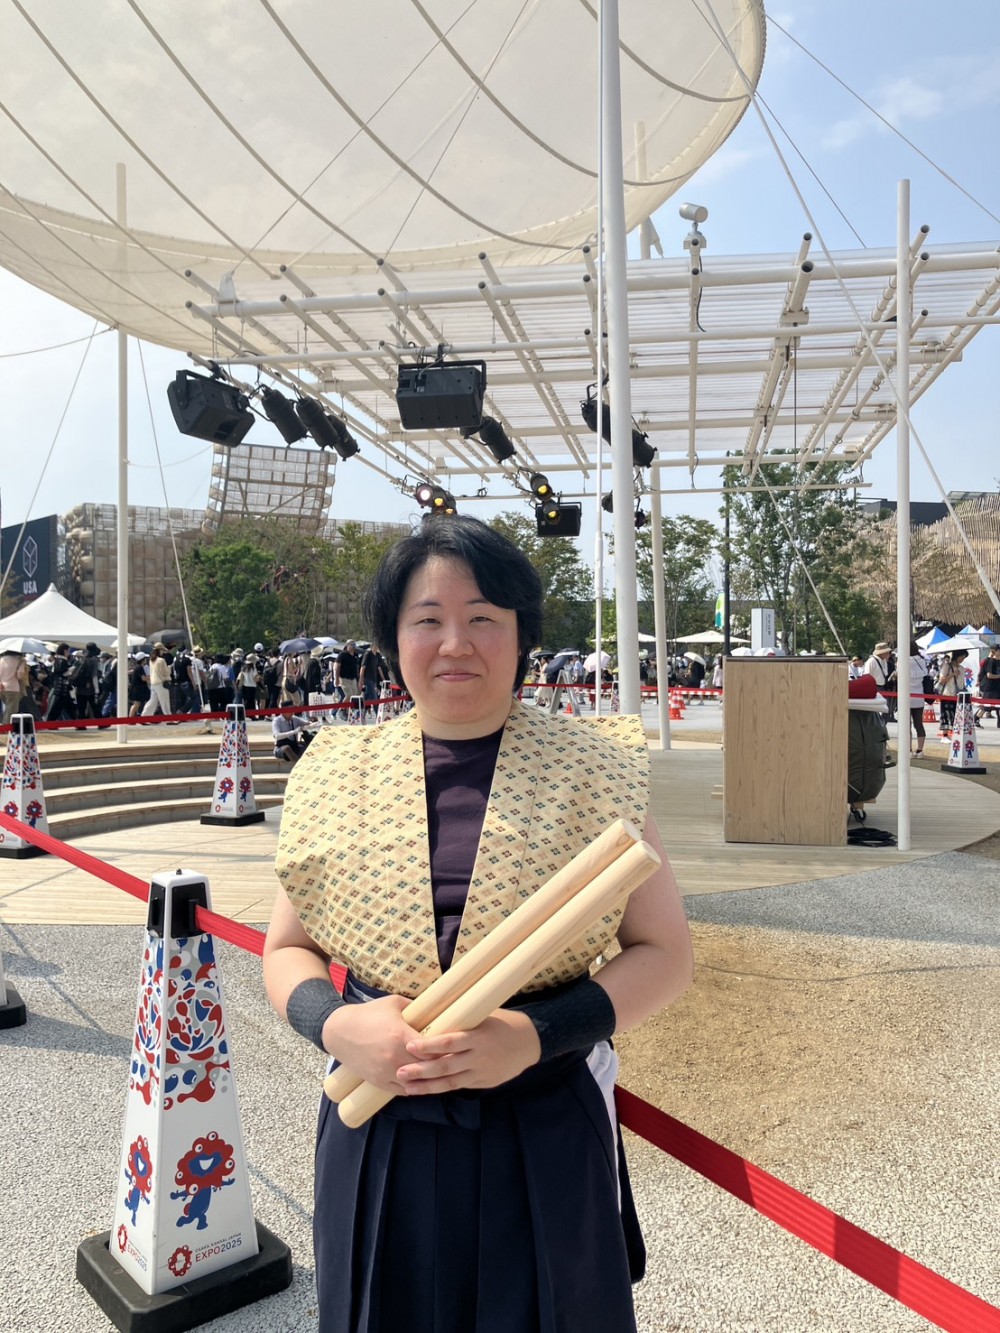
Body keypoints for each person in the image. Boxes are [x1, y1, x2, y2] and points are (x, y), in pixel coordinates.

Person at [264, 516, 693, 1333]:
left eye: (483, 617)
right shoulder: (335, 771)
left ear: (524, 635)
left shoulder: (597, 769)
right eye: (427, 618)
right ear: (393, 639)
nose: (454, 642)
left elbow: (665, 954)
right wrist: (338, 1026)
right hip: (377, 1114)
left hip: (540, 1112)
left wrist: (533, 1035)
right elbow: (288, 948)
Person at [271, 694, 315, 762]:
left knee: (307, 747)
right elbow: (277, 736)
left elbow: (308, 724)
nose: (292, 712)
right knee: (287, 749)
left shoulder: (295, 719)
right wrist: (294, 731)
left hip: (294, 747)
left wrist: (314, 722)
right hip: (281, 748)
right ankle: (297, 764)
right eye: (290, 710)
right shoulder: (277, 721)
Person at [907, 638, 932, 756]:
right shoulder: (922, 660)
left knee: (906, 725)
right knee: (919, 724)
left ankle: (908, 750)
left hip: (906, 697)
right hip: (919, 697)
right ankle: (920, 750)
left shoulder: (903, 660)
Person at [935, 649, 968, 734]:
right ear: (956, 656)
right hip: (947, 694)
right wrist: (952, 674)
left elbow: (962, 683)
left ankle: (955, 735)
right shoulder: (947, 666)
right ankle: (945, 735)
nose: (962, 659)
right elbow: (941, 680)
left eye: (964, 657)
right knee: (946, 715)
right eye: (961, 657)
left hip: (958, 695)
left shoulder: (961, 668)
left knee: (956, 716)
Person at [0, 649, 29, 724]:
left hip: (1, 687)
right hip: (13, 688)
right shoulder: (20, 661)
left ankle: (3, 725)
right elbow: (20, 675)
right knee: (11, 711)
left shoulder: (1, 659)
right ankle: (6, 727)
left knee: (5, 709)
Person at [976, 644, 1000, 726]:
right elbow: (989, 675)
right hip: (990, 687)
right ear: (994, 651)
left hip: (997, 687)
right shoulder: (991, 661)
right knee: (985, 707)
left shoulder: (998, 661)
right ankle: (976, 719)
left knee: (997, 706)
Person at [335, 639, 361, 705]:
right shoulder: (342, 654)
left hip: (353, 678)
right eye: (352, 645)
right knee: (349, 695)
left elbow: (357, 667)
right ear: (347, 645)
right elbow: (337, 667)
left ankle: (350, 709)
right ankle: (342, 708)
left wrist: (359, 678)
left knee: (355, 695)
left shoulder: (355, 655)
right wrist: (337, 679)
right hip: (344, 678)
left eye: (354, 645)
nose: (353, 647)